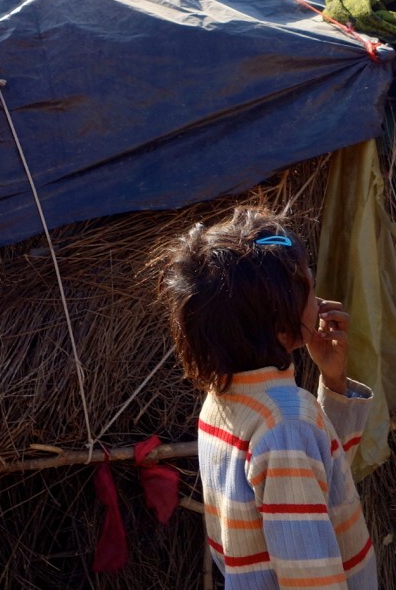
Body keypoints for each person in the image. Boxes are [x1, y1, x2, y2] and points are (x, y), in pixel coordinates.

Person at [158, 207, 377, 589]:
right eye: (308, 285)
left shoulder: (224, 400)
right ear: (279, 324)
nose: (318, 293)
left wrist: (333, 380)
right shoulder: (285, 423)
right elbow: (311, 578)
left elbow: (316, 479)